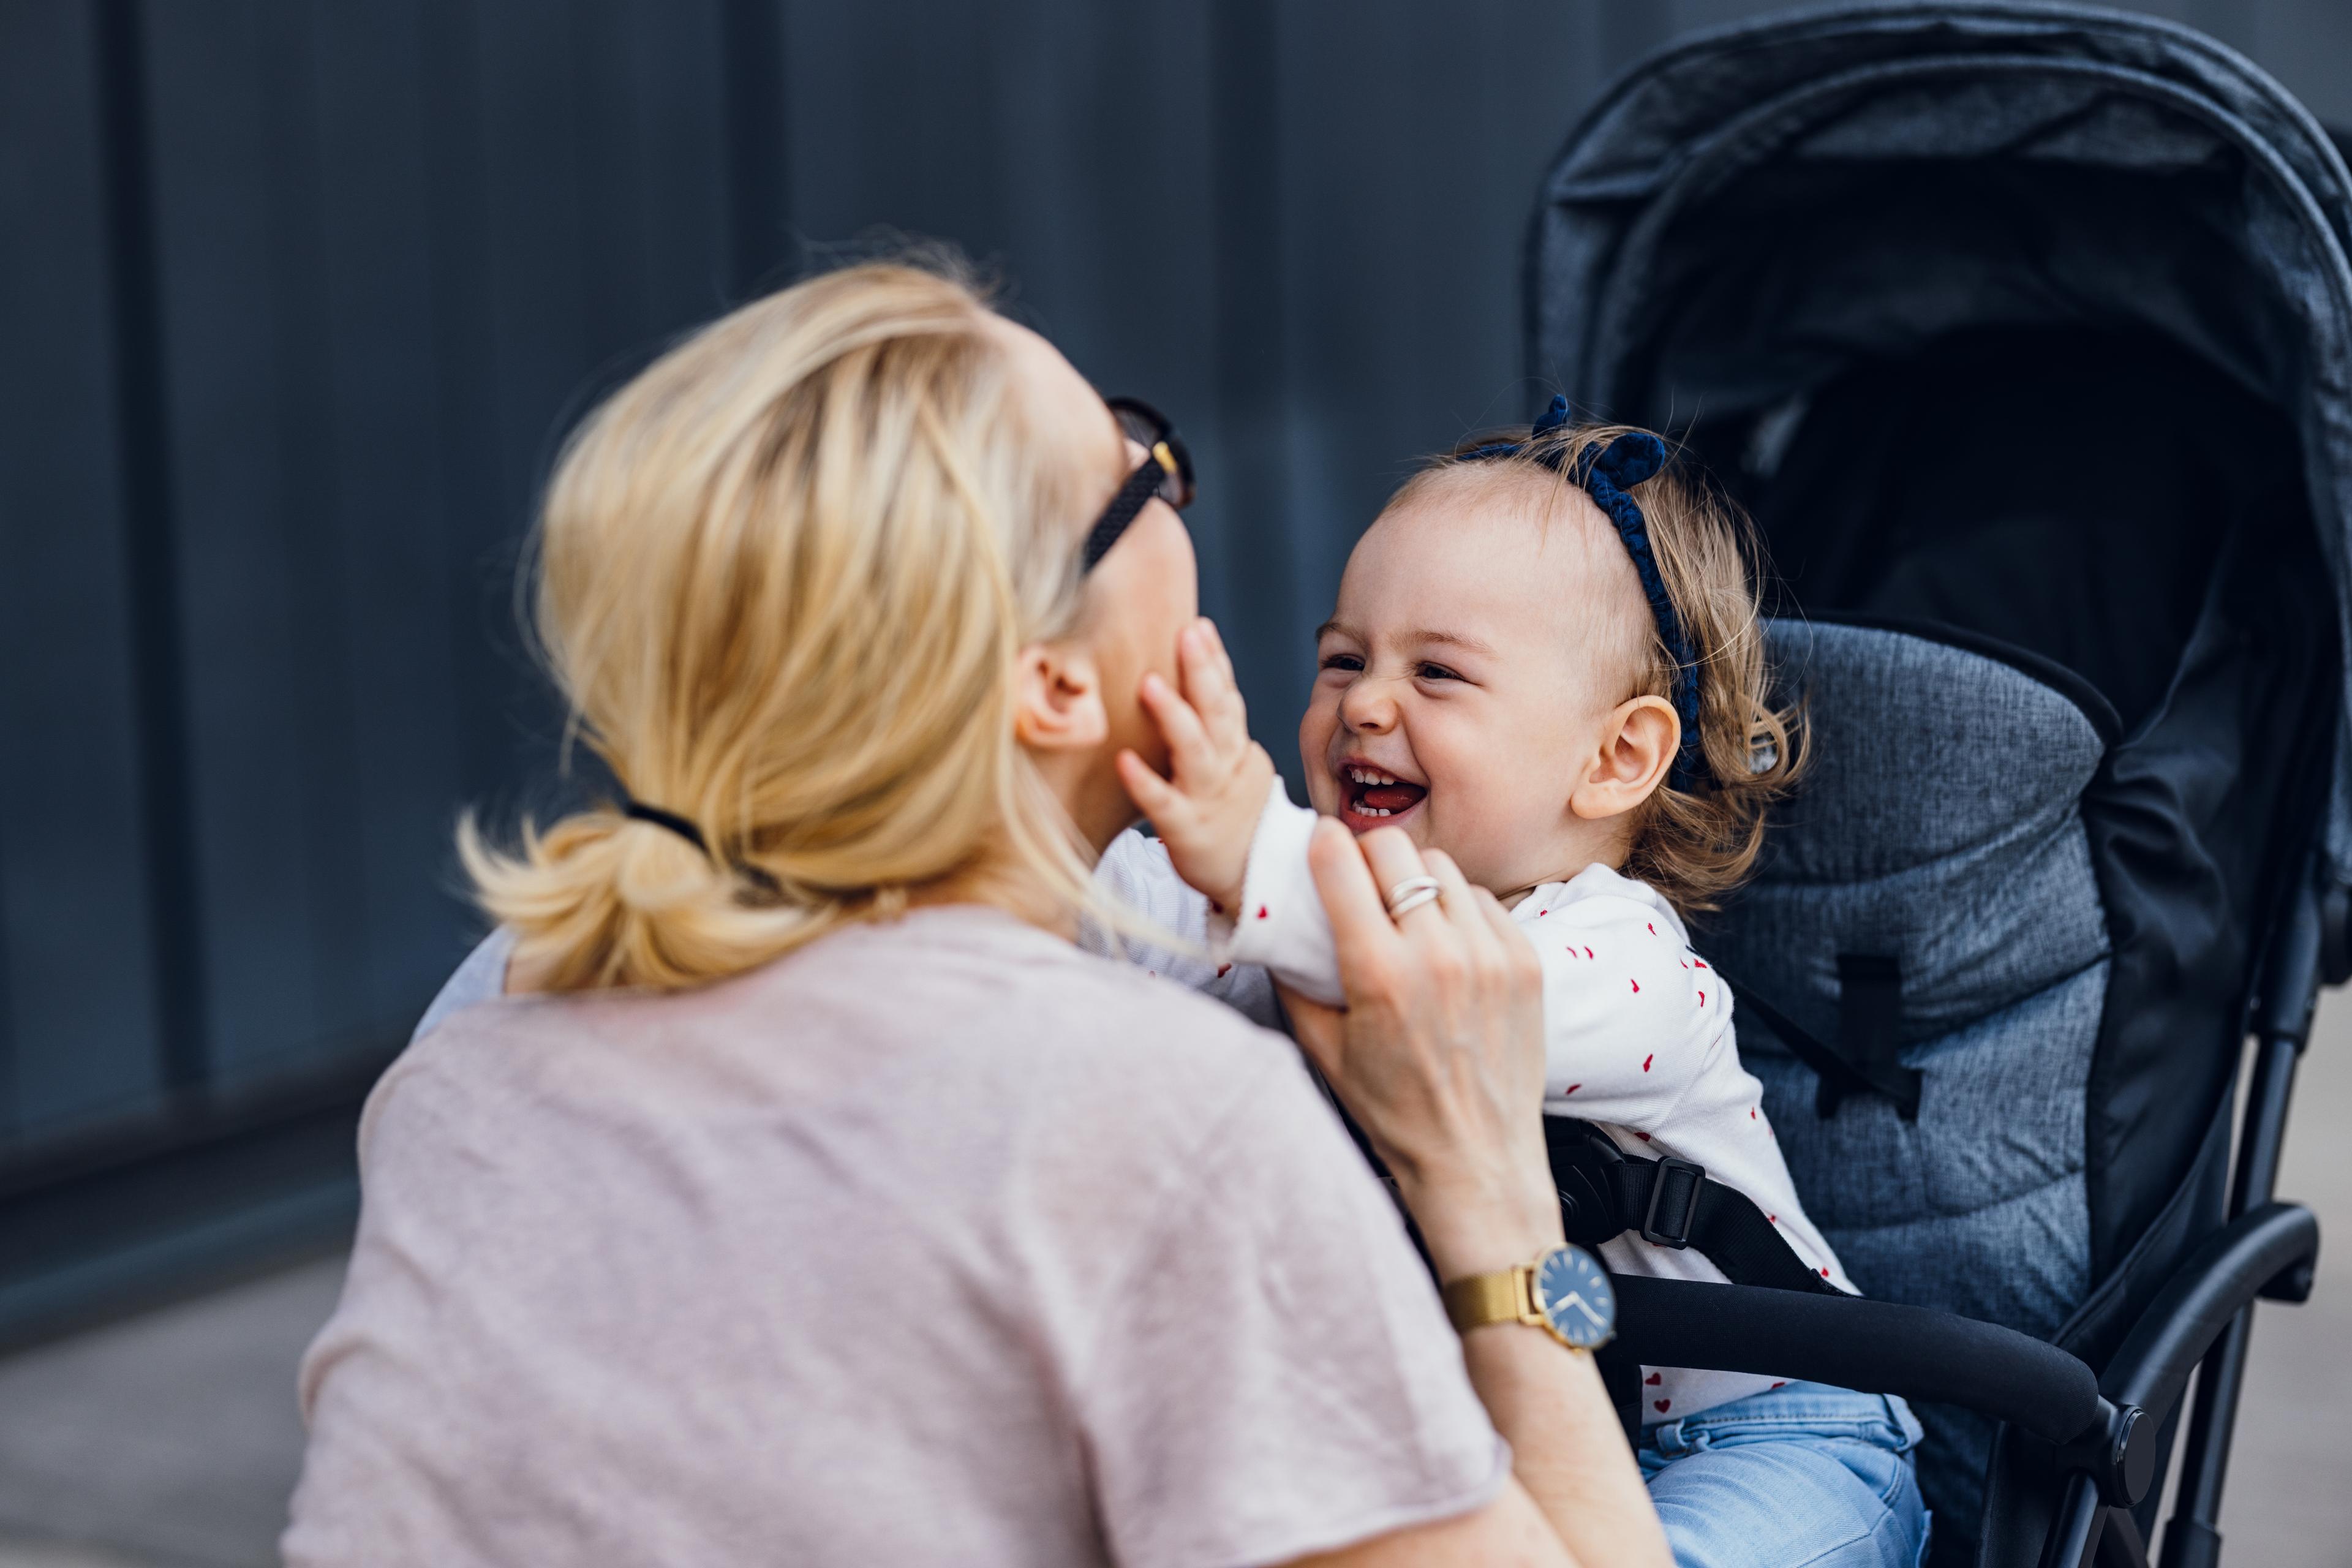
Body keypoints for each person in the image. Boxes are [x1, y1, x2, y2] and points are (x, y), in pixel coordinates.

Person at [281, 259, 1673, 1567]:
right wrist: (1486, 1183)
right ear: (1057, 685)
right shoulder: (1166, 1117)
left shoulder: (485, 1032)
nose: (1174, 491)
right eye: (1147, 475)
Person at [1091, 404, 1929, 1567]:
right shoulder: (1271, 900)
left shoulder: (1629, 969)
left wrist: (1249, 852)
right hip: (1480, 1445)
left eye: (1438, 672)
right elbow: (1097, 901)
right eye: (1343, 659)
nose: (1366, 704)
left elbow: (1439, 984)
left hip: (1768, 1436)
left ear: (1616, 759)